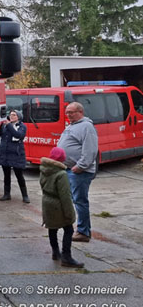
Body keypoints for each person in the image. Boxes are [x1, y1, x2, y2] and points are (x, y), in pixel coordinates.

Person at [57, 101, 98, 243]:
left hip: (79, 171)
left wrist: (80, 166)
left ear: (80, 112)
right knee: (74, 200)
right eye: (67, 112)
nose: (68, 115)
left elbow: (90, 150)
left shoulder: (86, 126)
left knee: (80, 201)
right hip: (68, 169)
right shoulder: (72, 126)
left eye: (71, 112)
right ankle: (78, 228)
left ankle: (83, 232)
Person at [39, 147, 83, 268]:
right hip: (58, 204)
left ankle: (55, 252)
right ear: (62, 159)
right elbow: (65, 196)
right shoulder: (61, 174)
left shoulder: (44, 169)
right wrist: (70, 213)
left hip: (46, 201)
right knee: (68, 229)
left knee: (52, 228)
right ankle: (67, 257)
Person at [0, 110, 29, 203]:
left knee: (19, 175)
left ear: (18, 117)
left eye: (14, 115)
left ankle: (25, 195)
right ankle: (7, 194)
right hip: (5, 153)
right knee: (6, 175)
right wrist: (0, 125)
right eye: (10, 115)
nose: (11, 116)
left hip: (16, 153)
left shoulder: (22, 126)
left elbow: (18, 135)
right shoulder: (6, 125)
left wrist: (9, 126)